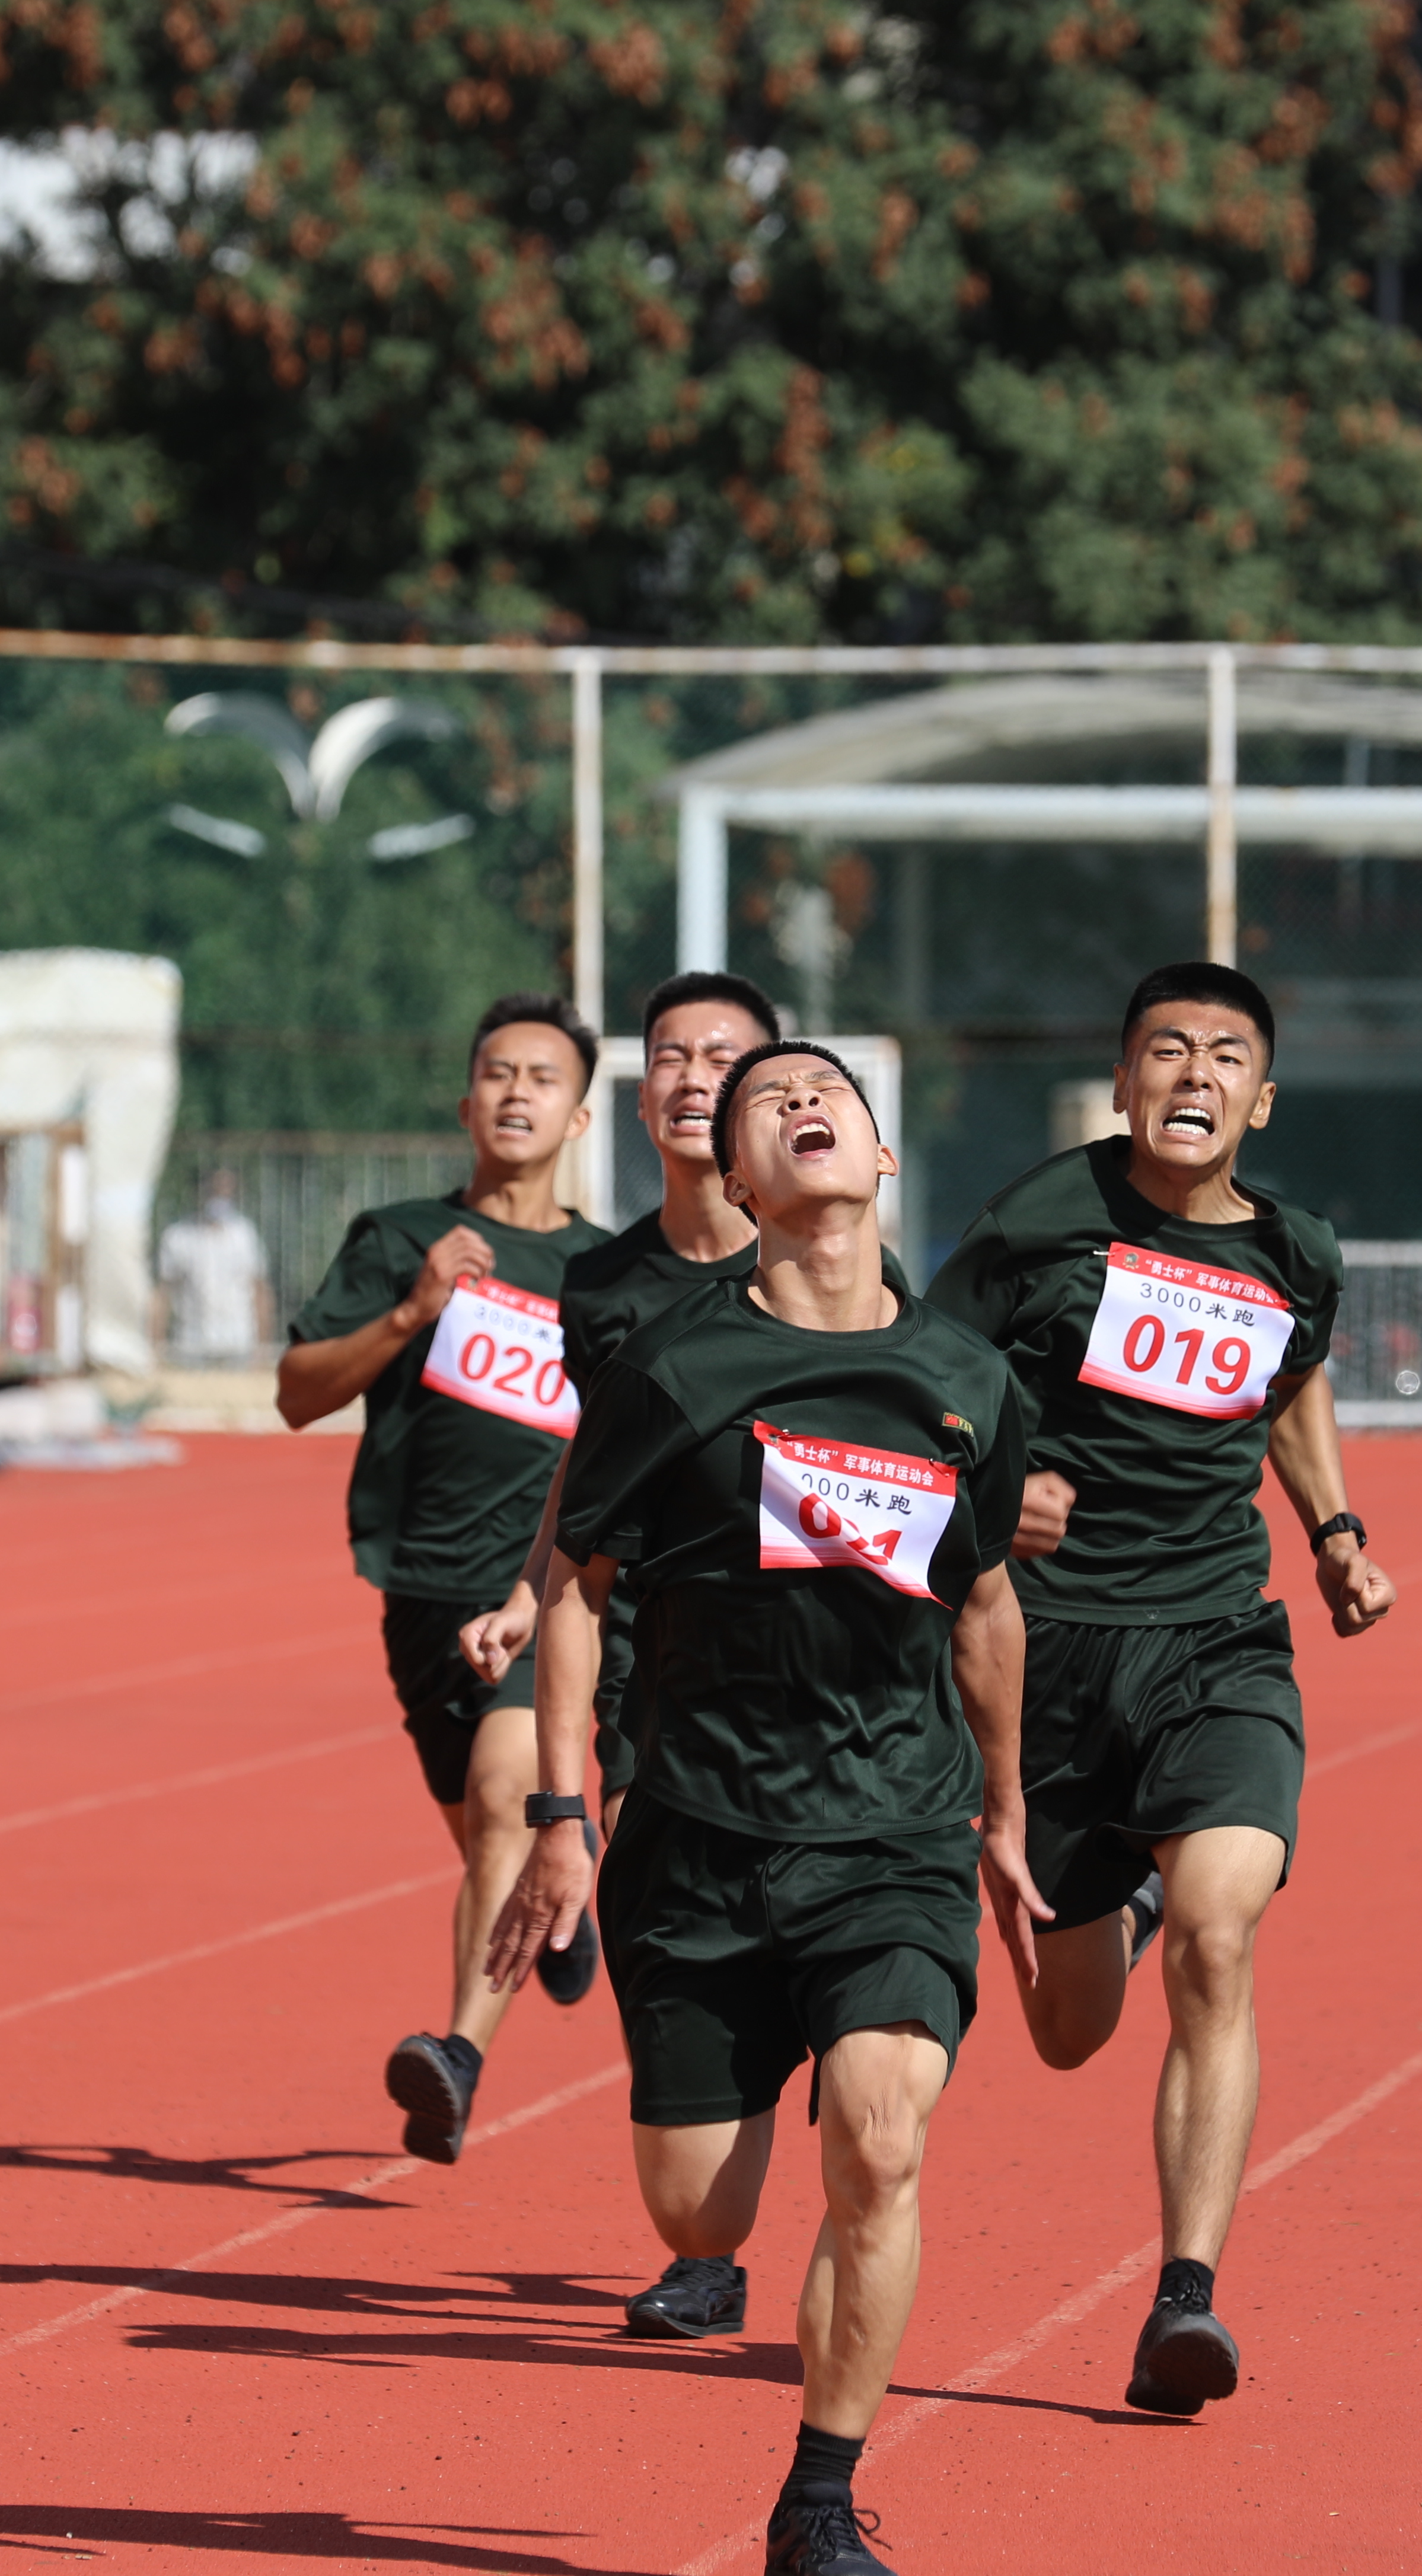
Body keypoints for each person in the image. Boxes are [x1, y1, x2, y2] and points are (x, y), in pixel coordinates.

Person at [490, 1039, 1035, 2576]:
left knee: (880, 2136)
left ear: (881, 1164)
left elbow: (987, 1609)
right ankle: (723, 2196)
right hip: (704, 1834)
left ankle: (818, 2498)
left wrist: (1002, 1810)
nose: (804, 1109)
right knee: (700, 2220)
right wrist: (558, 1806)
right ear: (734, 1182)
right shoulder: (670, 1367)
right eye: (766, 1106)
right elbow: (576, 1588)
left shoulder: (966, 1383)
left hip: (894, 1827)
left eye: (832, 1100)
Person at [923, 959, 1398, 2421]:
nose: (1193, 1075)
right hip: (1050, 1656)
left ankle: (1184, 2298)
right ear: (1124, 1083)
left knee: (1220, 1930)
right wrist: (1000, 1486)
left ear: (1262, 1096)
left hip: (1217, 1646)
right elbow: (926, 1382)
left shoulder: (1298, 1253)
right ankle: (1105, 1904)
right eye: (1165, 1051)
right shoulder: (1035, 1223)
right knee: (1069, 2033)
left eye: (1224, 1056)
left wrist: (1332, 1531)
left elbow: (1292, 1382)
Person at [452, 968, 910, 2343]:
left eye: (735, 1058)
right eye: (672, 1056)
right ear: (642, 1097)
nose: (698, 1077)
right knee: (699, 1946)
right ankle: (715, 2245)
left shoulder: (859, 1277)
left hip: (835, 1691)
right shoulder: (604, 1286)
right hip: (657, 1661)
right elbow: (581, 1487)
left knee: (852, 1999)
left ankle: (852, 2074)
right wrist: (538, 1601)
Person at [277, 993, 609, 2163]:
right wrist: (419, 1305)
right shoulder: (399, 1237)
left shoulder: (606, 1272)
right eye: (499, 1074)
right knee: (488, 1832)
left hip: (555, 1598)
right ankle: (561, 1907)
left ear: (578, 1112)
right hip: (421, 1589)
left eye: (544, 1077)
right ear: (468, 1100)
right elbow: (299, 1391)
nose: (519, 1093)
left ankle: (460, 2053)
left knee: (511, 1790)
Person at [157, 1167, 277, 1363]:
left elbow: (260, 1290)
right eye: (215, 1189)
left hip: (238, 1341)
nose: (220, 1196)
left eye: (227, 1190)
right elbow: (164, 1293)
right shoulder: (178, 1236)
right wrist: (157, 1345)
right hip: (192, 1342)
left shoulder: (244, 1235)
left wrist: (263, 1347)